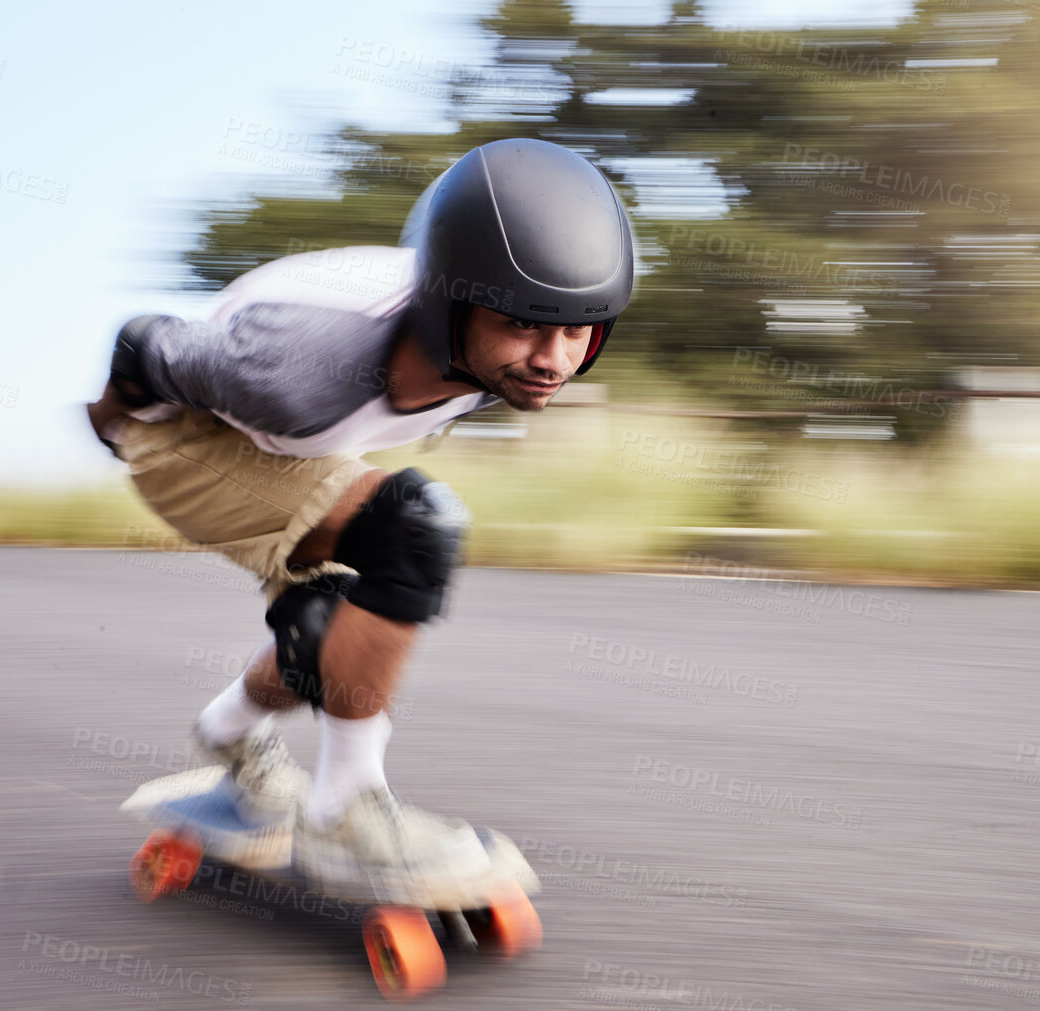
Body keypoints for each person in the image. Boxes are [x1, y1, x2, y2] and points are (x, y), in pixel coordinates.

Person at [85, 137, 635, 896]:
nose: (553, 360)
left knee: (334, 627)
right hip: (184, 444)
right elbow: (144, 342)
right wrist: (111, 425)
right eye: (524, 326)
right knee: (413, 528)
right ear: (450, 304)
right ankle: (345, 812)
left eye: (577, 330)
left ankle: (228, 735)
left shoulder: (491, 345)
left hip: (303, 454)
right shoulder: (293, 365)